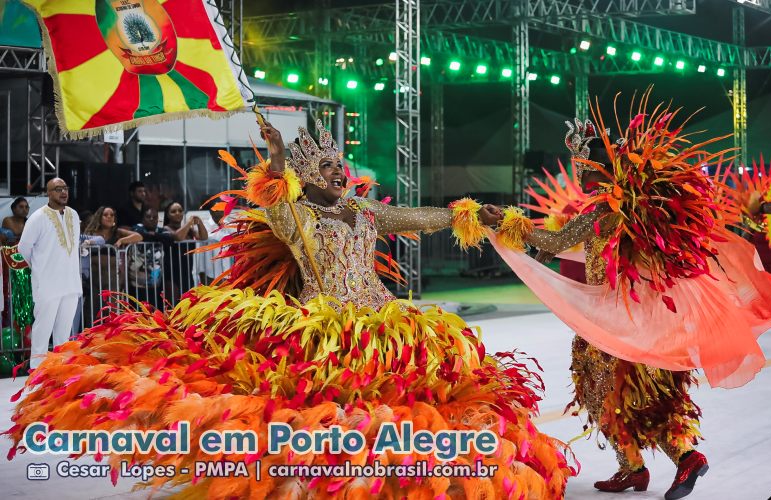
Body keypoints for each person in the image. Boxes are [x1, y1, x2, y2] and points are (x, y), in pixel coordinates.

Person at [8, 119, 575, 498]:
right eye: (325, 169)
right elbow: (271, 195)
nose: (337, 174)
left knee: (396, 406)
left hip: (379, 324)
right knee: (323, 416)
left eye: (339, 168)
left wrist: (479, 213)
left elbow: (427, 217)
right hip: (319, 329)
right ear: (307, 177)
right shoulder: (298, 216)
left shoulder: (367, 213)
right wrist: (277, 158)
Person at [491, 97, 771, 499]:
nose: (580, 177)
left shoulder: (600, 212)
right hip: (649, 318)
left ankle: (648, 463)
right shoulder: (632, 211)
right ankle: (666, 461)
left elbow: (556, 239)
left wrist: (507, 224)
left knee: (603, 395)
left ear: (597, 171)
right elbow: (585, 250)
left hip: (614, 320)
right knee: (649, 396)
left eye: (583, 169)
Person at [17, 178, 81, 370]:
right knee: (43, 328)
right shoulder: (38, 217)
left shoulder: (74, 215)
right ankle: (37, 368)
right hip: (47, 283)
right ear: (48, 193)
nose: (63, 192)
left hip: (70, 282)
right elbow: (23, 248)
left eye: (65, 188)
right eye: (58, 189)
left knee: (64, 331)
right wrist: (39, 267)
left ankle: (60, 368)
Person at [161, 201, 207, 300]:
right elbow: (178, 236)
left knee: (186, 303)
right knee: (173, 304)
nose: (177, 213)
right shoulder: (166, 229)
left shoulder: (188, 230)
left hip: (186, 272)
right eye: (173, 211)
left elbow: (204, 237)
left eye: (180, 211)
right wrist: (189, 223)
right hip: (172, 273)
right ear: (168, 215)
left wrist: (199, 222)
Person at [195, 207, 233, 285]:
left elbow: (234, 235)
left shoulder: (228, 223)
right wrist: (226, 237)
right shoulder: (206, 224)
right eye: (217, 210)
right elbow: (208, 236)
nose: (220, 212)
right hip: (210, 266)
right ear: (211, 212)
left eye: (221, 209)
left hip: (227, 264)